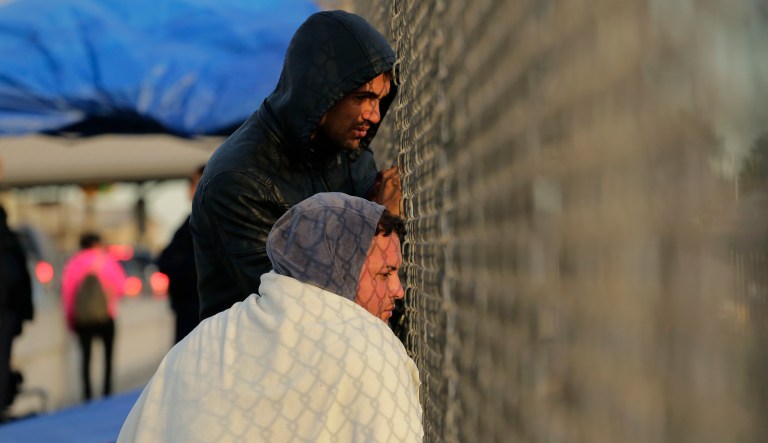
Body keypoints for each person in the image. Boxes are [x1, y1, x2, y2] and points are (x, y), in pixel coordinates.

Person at [117, 193, 422, 442]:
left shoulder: (204, 341)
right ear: (335, 270)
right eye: (385, 274)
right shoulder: (371, 348)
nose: (398, 290)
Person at [191, 10, 403, 320]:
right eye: (363, 97)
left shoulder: (349, 154)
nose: (373, 114)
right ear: (321, 91)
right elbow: (300, 307)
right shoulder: (238, 181)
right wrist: (384, 225)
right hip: (259, 362)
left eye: (380, 100)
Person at [61, 233, 126, 401]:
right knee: (108, 357)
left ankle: (87, 396)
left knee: (86, 358)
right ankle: (107, 393)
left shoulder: (74, 263)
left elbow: (68, 295)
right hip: (106, 316)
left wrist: (71, 321)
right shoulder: (107, 261)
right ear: (97, 244)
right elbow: (121, 287)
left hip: (83, 319)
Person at [157, 164, 205, 344]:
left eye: (194, 184)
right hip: (192, 309)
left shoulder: (197, 225)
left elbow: (166, 261)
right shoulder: (190, 223)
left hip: (197, 311)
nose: (190, 191)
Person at [0, 205, 33, 421]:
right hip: (7, 313)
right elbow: (22, 279)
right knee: (3, 360)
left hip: (7, 312)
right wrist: (24, 313)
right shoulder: (11, 241)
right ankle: (1, 404)